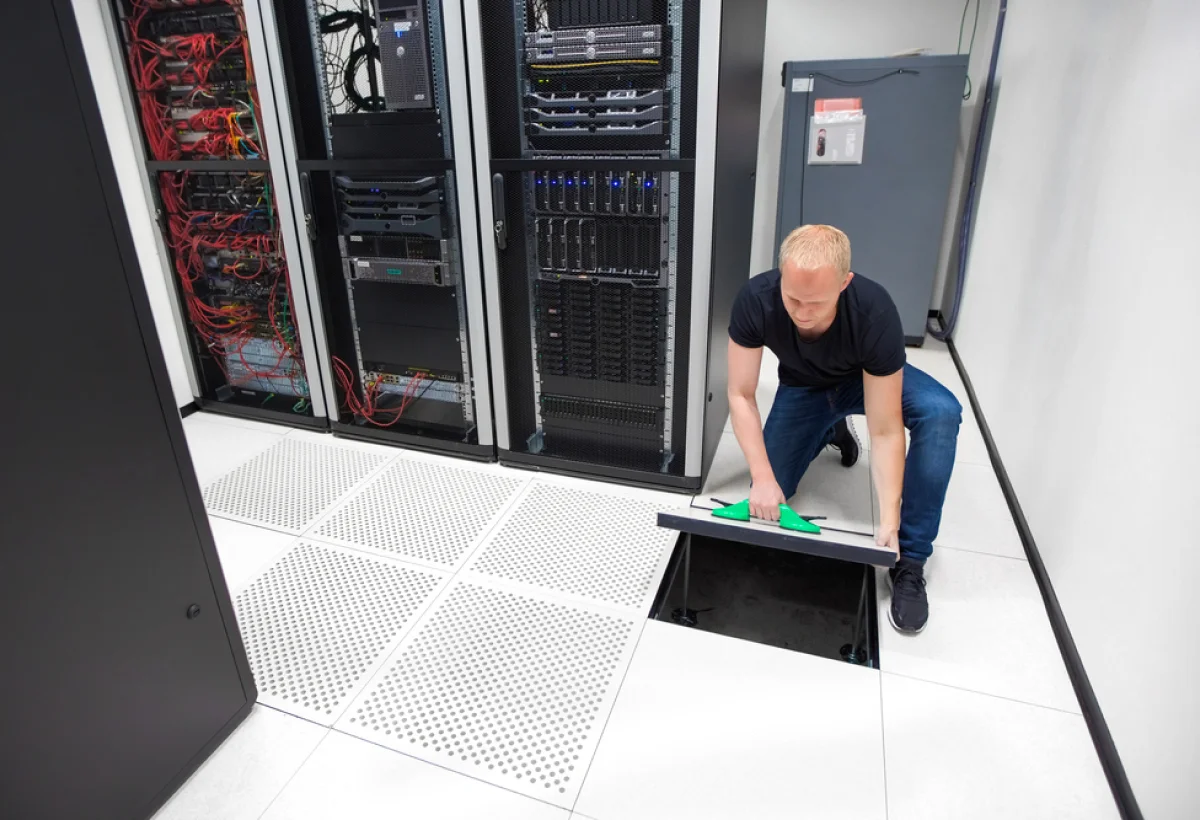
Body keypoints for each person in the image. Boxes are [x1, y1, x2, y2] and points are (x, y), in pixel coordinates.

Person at [726, 224, 962, 633]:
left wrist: (889, 518)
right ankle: (829, 429)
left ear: (844, 283)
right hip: (805, 388)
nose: (802, 313)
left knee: (941, 412)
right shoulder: (756, 299)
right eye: (793, 298)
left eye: (816, 303)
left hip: (867, 380)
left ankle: (910, 562)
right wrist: (762, 478)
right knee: (770, 493)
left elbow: (885, 430)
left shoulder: (874, 310)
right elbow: (741, 394)